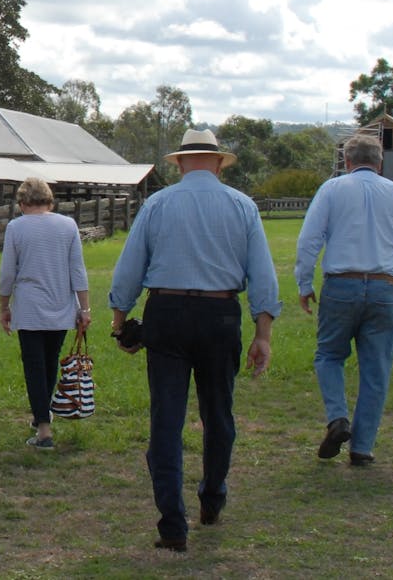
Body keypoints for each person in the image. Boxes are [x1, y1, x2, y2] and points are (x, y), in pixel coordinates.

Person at [108, 128, 280, 552]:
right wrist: (263, 334)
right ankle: (213, 496)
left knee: (166, 419)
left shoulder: (158, 204)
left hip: (165, 312)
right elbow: (262, 273)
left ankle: (172, 523)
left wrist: (119, 321)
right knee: (219, 413)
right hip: (220, 314)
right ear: (219, 162)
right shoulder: (242, 206)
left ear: (180, 162)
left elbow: (130, 267)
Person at [295, 132, 393, 467]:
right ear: (380, 164)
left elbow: (309, 239)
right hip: (386, 287)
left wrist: (304, 282)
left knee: (329, 355)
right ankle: (363, 447)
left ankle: (338, 418)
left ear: (347, 161)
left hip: (342, 284)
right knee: (376, 369)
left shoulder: (331, 189)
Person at [0, 177, 90, 450]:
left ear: (22, 202)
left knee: (34, 366)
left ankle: (44, 429)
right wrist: (84, 308)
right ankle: (43, 414)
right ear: (50, 201)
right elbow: (78, 270)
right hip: (61, 305)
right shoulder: (67, 225)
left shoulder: (16, 227)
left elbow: (7, 274)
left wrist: (4, 306)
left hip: (29, 307)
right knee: (50, 363)